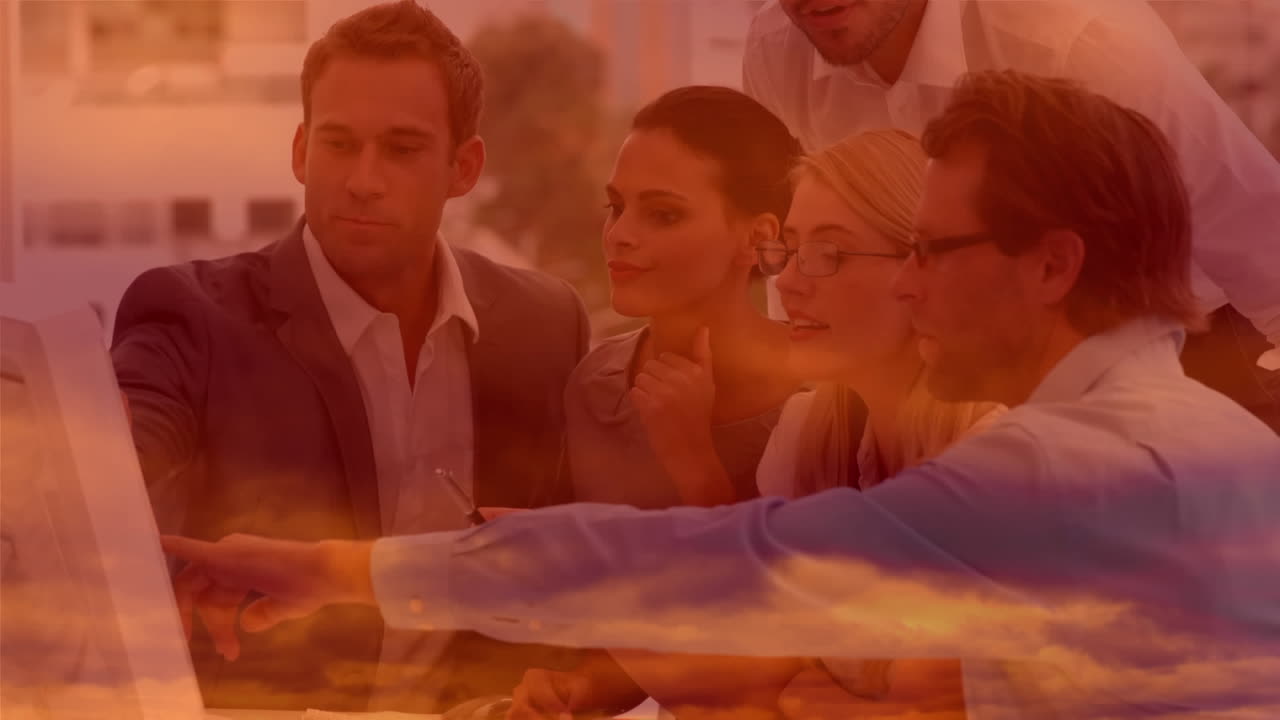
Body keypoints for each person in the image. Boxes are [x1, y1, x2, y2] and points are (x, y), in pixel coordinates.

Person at [160, 71, 1280, 718]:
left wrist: (331, 569)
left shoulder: (1053, 469)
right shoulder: (1228, 444)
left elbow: (722, 568)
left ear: (1051, 264)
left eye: (931, 249)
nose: (908, 279)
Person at [110, 0, 588, 712]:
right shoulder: (191, 314)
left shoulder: (544, 325)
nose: (364, 179)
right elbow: (111, 465)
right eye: (339, 144)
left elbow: (577, 557)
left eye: (401, 148)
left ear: (464, 166)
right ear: (301, 150)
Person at [742, 0, 1280, 432]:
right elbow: (801, 243)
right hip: (955, 369)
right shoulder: (776, 53)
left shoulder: (1079, 34)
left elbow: (1262, 230)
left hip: (1188, 348)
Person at [512, 85, 803, 719]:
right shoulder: (595, 387)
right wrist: (576, 690)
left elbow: (786, 649)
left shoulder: (821, 406)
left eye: (663, 215)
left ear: (757, 236)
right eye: (616, 207)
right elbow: (637, 629)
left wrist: (693, 456)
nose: (619, 236)